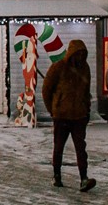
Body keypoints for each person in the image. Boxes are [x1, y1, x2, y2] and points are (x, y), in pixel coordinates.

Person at [41, 39, 96, 191]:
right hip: (62, 116)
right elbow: (46, 90)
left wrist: (86, 110)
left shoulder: (85, 69)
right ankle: (57, 175)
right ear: (71, 53)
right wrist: (53, 110)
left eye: (82, 54)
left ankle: (84, 178)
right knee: (58, 147)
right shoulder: (58, 68)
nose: (79, 57)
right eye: (77, 54)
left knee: (80, 148)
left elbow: (86, 92)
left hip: (79, 116)